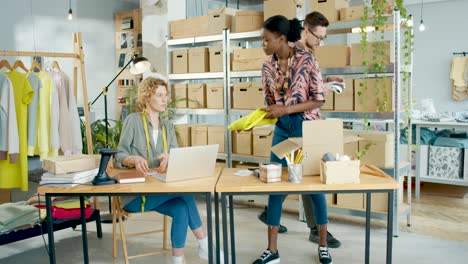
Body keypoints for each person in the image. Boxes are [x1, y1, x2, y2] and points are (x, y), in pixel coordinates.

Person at [257, 11, 342, 249]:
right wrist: (255, 119)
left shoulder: (307, 60)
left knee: (312, 187)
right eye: (261, 39)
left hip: (306, 129)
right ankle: (271, 250)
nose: (263, 44)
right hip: (282, 129)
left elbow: (318, 100)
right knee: (275, 186)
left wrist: (285, 110)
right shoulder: (266, 67)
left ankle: (322, 245)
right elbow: (270, 102)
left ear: (281, 39)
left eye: (267, 39)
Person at [114, 77, 211, 264]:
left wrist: (170, 158)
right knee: (186, 195)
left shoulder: (168, 126)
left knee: (182, 208)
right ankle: (204, 244)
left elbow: (175, 158)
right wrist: (132, 159)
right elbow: (119, 156)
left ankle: (177, 261)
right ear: (146, 96)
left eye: (166, 95)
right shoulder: (133, 121)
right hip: (136, 196)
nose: (165, 100)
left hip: (159, 191)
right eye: (159, 95)